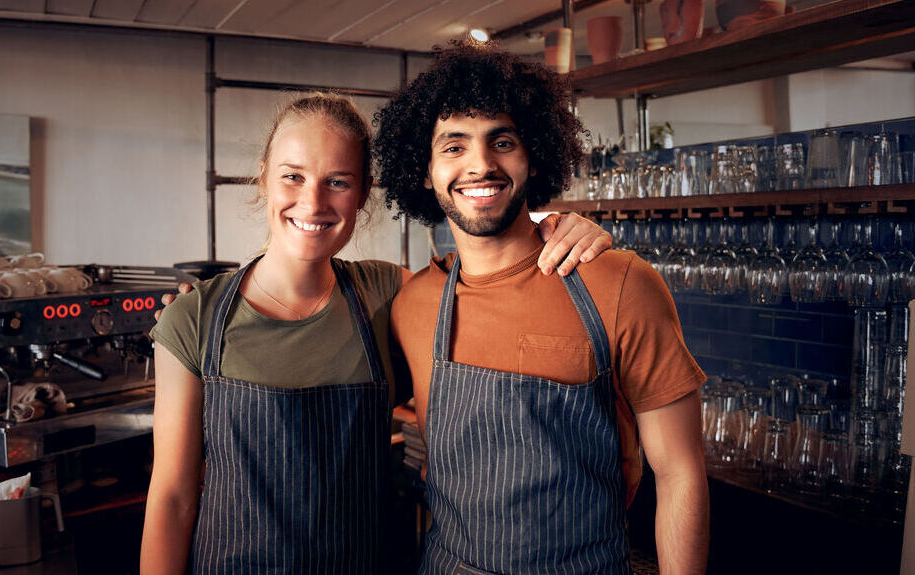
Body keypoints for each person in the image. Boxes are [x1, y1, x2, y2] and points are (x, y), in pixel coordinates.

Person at [140, 93, 612, 574]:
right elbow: (174, 498)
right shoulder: (194, 319)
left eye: (337, 182)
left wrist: (562, 228)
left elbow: (497, 283)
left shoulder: (391, 295)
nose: (313, 201)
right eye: (293, 176)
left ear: (364, 192)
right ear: (263, 175)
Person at [374, 45, 709, 575]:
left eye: (501, 141)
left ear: (534, 154)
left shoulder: (619, 283)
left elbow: (681, 474)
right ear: (424, 170)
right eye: (454, 147)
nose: (481, 164)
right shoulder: (413, 302)